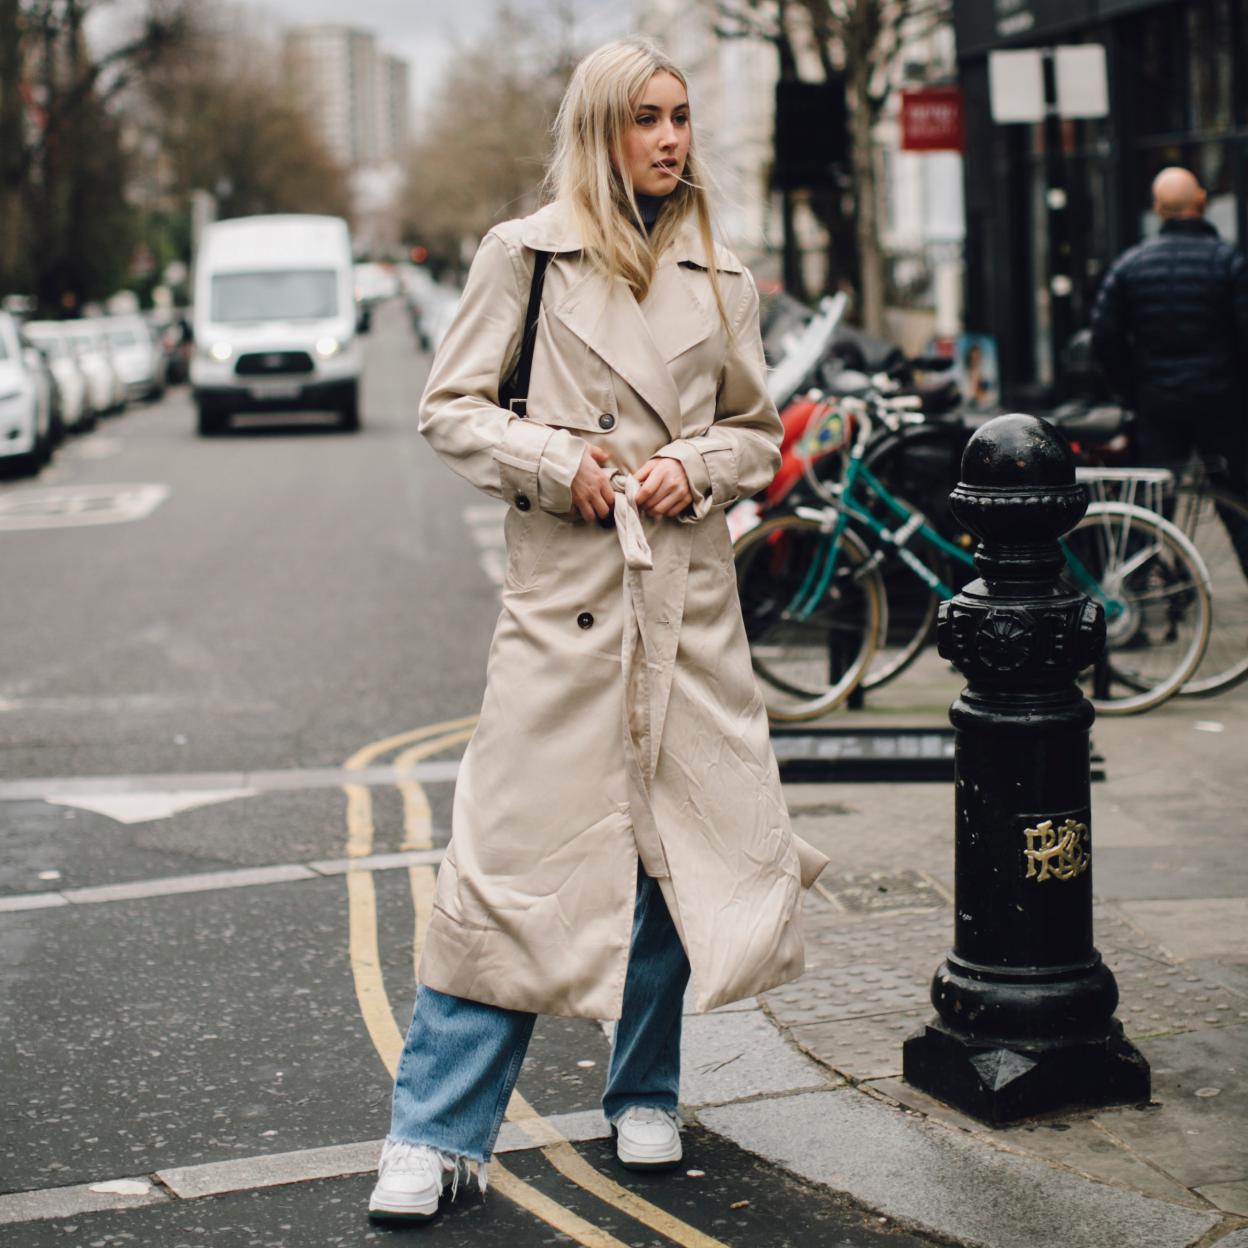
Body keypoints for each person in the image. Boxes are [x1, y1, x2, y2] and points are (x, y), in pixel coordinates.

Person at [367, 38, 828, 1224]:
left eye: (679, 117)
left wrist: (691, 463)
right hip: (564, 607)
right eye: (645, 120)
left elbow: (754, 431)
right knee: (510, 862)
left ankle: (648, 1089)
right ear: (597, 130)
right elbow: (450, 410)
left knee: (670, 859)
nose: (670, 139)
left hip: (684, 605)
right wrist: (553, 457)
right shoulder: (521, 258)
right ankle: (435, 1132)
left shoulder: (721, 272)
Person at [1091, 166, 1248, 572]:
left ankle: (1134, 600)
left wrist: (1130, 389)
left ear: (1158, 208)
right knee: (1240, 509)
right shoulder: (1228, 262)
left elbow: (1104, 338)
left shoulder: (1131, 265)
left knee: (1149, 509)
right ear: (1202, 201)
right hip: (1222, 404)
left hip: (1158, 404)